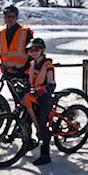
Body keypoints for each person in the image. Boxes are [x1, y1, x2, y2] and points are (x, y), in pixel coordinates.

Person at [23, 38, 56, 166]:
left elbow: (51, 84)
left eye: (36, 49)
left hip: (44, 98)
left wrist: (44, 90)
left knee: (42, 124)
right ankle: (28, 143)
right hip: (34, 96)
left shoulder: (48, 66)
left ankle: (45, 154)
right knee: (27, 119)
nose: (33, 52)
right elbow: (29, 78)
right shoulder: (32, 64)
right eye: (31, 50)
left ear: (42, 50)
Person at [0, 5, 33, 79]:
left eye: (12, 17)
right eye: (8, 17)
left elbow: (32, 51)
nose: (10, 19)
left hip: (22, 72)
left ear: (16, 18)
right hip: (7, 70)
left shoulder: (25, 32)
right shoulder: (1, 33)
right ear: (4, 18)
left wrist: (26, 67)